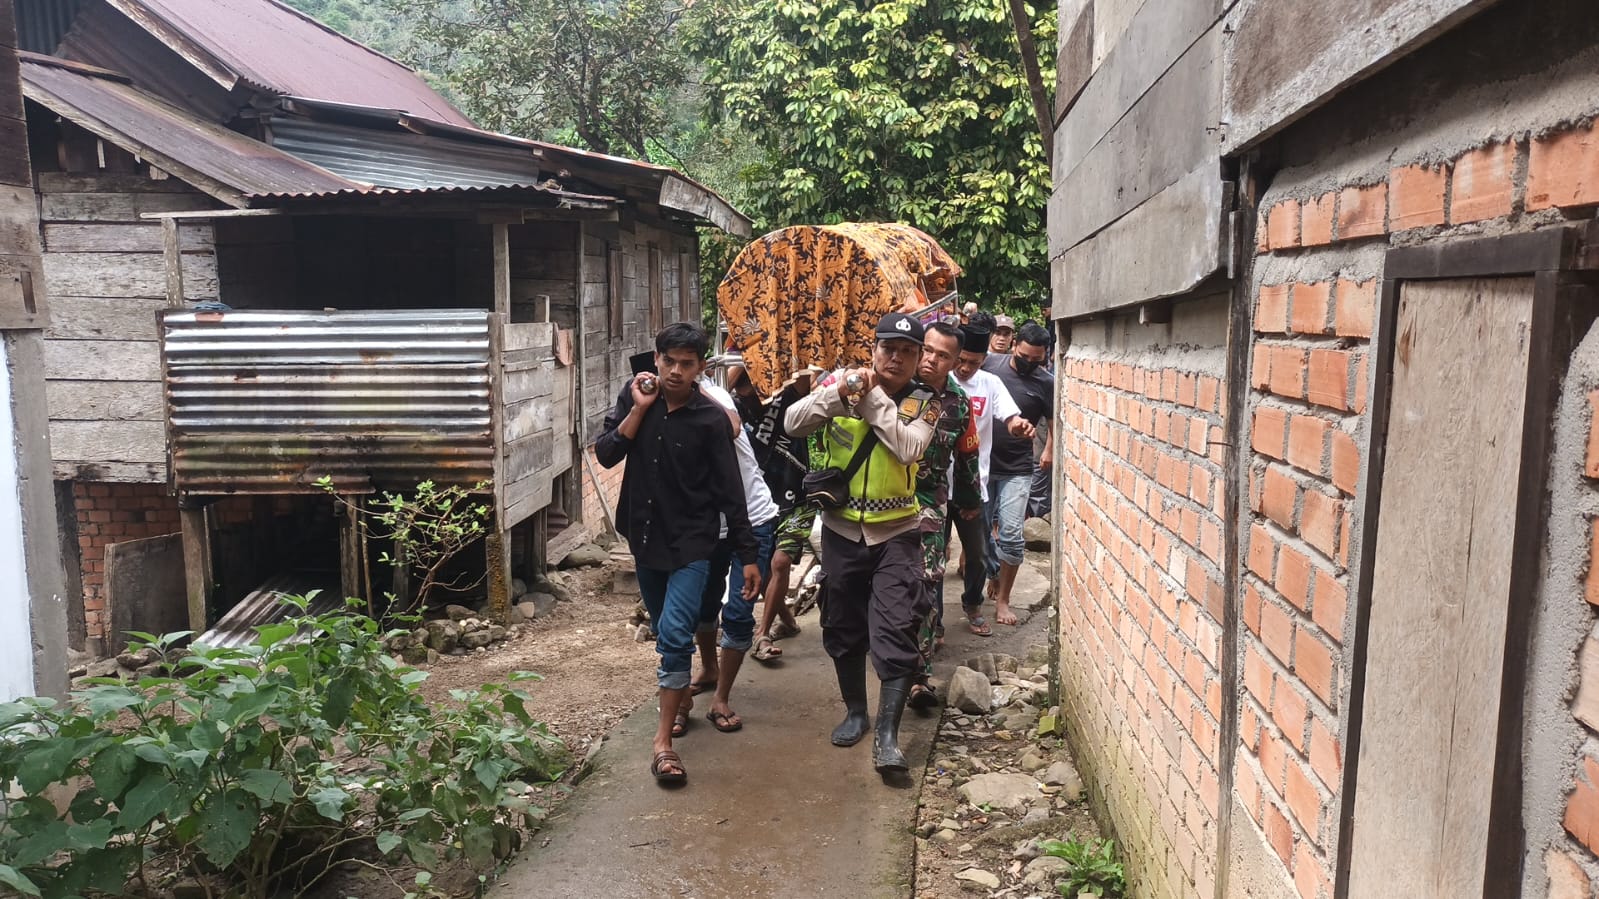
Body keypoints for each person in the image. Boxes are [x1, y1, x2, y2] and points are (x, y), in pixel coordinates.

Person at [595, 323, 761, 785]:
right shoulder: (635, 401)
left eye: (687, 364)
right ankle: (681, 701)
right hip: (644, 540)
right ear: (657, 358)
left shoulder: (710, 421)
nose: (675, 371)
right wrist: (639, 410)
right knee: (664, 623)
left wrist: (748, 554)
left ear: (701, 368)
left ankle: (662, 745)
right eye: (669, 361)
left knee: (673, 633)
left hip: (693, 544)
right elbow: (606, 454)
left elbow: (732, 492)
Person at [784, 312, 936, 775]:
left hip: (898, 533)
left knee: (896, 627)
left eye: (908, 352)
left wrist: (869, 397)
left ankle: (888, 736)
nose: (897, 358)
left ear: (918, 359)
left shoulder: (926, 402)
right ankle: (855, 712)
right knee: (843, 625)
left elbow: (909, 447)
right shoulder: (840, 383)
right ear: (873, 349)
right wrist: (837, 393)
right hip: (841, 529)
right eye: (889, 348)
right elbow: (793, 422)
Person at [684, 374, 780, 734]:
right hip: (708, 526)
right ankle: (709, 667)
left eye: (686, 366)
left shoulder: (715, 395)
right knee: (702, 606)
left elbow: (733, 424)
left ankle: (721, 697)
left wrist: (694, 394)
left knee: (738, 612)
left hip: (752, 519)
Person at [909, 321, 982, 707]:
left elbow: (966, 456)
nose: (930, 360)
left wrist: (970, 501)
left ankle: (919, 678)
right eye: (927, 350)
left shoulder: (958, 402)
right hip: (877, 500)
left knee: (925, 581)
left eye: (941, 355)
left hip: (928, 500)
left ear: (955, 362)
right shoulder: (891, 387)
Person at [726, 365, 815, 663]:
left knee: (780, 562)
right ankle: (787, 621)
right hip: (761, 500)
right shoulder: (733, 407)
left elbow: (805, 371)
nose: (748, 385)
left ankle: (761, 634)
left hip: (798, 492)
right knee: (762, 571)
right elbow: (730, 382)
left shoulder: (787, 395)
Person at [950, 322, 1033, 635]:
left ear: (983, 359)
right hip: (934, 485)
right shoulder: (939, 379)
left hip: (973, 485)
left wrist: (1017, 425)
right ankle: (933, 622)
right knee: (928, 557)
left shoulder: (990, 384)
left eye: (974, 362)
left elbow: (1010, 416)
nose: (966, 367)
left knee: (978, 554)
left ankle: (972, 604)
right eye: (961, 360)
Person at [981, 322, 1054, 627]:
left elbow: (1053, 421)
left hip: (1018, 468)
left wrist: (1049, 450)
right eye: (1024, 356)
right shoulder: (990, 366)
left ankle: (1003, 600)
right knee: (981, 537)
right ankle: (993, 570)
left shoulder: (1045, 382)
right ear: (1014, 346)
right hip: (982, 465)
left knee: (1011, 535)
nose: (1029, 364)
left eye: (1036, 360)